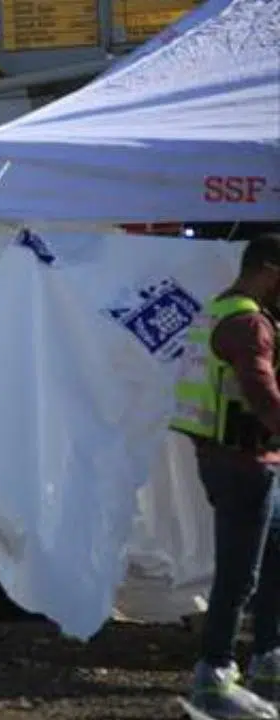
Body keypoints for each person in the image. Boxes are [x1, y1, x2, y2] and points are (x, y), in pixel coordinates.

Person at [170, 232, 280, 719]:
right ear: (270, 271)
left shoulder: (219, 310)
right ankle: (213, 677)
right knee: (240, 576)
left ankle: (269, 659)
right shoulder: (248, 324)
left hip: (237, 460)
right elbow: (262, 394)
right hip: (244, 465)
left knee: (272, 562)